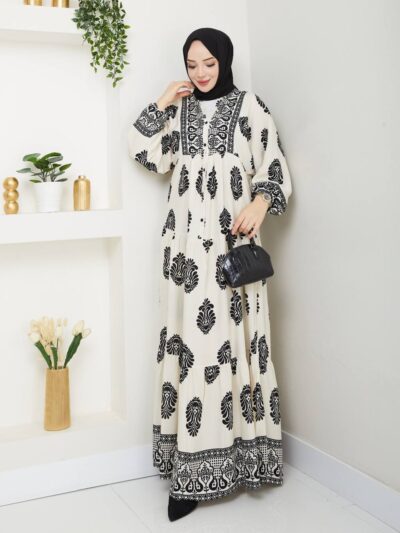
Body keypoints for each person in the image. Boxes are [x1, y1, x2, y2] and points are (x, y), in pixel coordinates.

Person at [128, 27, 292, 522]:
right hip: (183, 255)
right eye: (192, 64)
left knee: (232, 345)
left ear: (224, 61)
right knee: (192, 348)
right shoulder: (178, 112)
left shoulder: (249, 107)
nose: (200, 73)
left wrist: (260, 203)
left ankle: (244, 461)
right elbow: (145, 152)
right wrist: (162, 100)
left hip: (232, 247)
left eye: (209, 63)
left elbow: (274, 165)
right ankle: (190, 472)